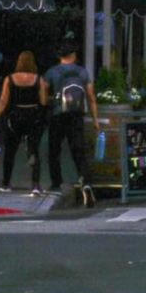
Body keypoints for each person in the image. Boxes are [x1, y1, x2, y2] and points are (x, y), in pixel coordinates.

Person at [44, 42, 100, 207]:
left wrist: (50, 101)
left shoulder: (51, 72)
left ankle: (56, 183)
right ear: (74, 55)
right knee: (79, 152)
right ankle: (86, 183)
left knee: (54, 150)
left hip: (58, 115)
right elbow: (91, 97)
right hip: (77, 116)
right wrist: (95, 119)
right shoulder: (82, 72)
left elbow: (42, 97)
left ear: (60, 56)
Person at [0, 51, 48, 195]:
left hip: (15, 116)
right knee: (33, 149)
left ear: (19, 62)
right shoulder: (39, 79)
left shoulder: (9, 79)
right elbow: (43, 101)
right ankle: (35, 184)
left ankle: (7, 183)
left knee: (10, 149)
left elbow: (3, 101)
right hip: (33, 116)